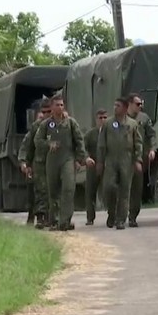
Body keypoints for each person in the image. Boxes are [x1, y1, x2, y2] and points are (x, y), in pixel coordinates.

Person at [34, 94, 94, 231]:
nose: (60, 107)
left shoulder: (70, 123)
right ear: (52, 107)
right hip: (52, 161)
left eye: (62, 105)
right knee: (53, 191)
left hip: (68, 159)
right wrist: (48, 144)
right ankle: (54, 220)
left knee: (68, 189)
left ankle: (65, 221)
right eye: (57, 105)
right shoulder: (46, 124)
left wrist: (83, 158)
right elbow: (37, 141)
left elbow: (79, 141)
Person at [97, 97, 142, 230]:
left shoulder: (132, 124)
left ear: (125, 108)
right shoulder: (108, 124)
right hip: (111, 159)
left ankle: (120, 219)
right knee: (108, 187)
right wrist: (100, 161)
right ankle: (111, 212)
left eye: (118, 106)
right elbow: (101, 143)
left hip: (126, 160)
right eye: (114, 105)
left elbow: (138, 143)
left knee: (124, 190)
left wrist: (138, 160)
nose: (115, 108)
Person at [18, 96, 52, 229]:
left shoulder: (59, 124)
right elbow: (27, 146)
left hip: (54, 163)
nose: (46, 115)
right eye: (43, 112)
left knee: (52, 191)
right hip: (38, 163)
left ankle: (51, 217)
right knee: (38, 191)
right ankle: (38, 216)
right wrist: (25, 163)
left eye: (48, 111)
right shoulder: (36, 127)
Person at [126, 92, 157, 227]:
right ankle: (118, 215)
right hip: (123, 158)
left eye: (141, 104)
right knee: (121, 188)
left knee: (136, 189)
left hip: (139, 158)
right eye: (138, 104)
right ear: (129, 104)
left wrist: (152, 149)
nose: (140, 106)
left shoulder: (144, 118)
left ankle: (132, 216)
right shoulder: (121, 118)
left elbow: (152, 135)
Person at [83, 108, 107, 225]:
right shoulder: (90, 134)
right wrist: (87, 158)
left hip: (107, 166)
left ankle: (112, 215)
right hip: (93, 165)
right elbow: (83, 147)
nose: (102, 120)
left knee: (110, 190)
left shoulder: (110, 133)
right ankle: (90, 217)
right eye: (100, 118)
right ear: (96, 119)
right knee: (90, 192)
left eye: (105, 117)